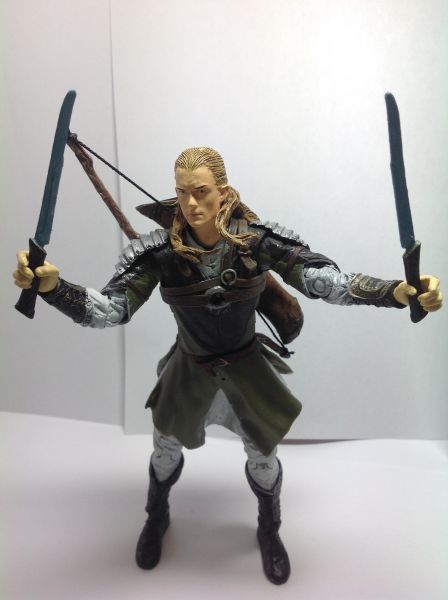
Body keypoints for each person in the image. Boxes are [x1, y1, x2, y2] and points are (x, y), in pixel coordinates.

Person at [13, 147, 442, 585]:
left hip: (247, 367)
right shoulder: (161, 252)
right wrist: (54, 288)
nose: (191, 203)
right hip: (189, 367)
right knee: (164, 450)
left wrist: (395, 292)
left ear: (222, 191)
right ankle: (156, 516)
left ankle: (269, 529)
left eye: (201, 191)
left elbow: (323, 282)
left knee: (263, 457)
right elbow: (111, 310)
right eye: (182, 193)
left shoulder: (255, 242)